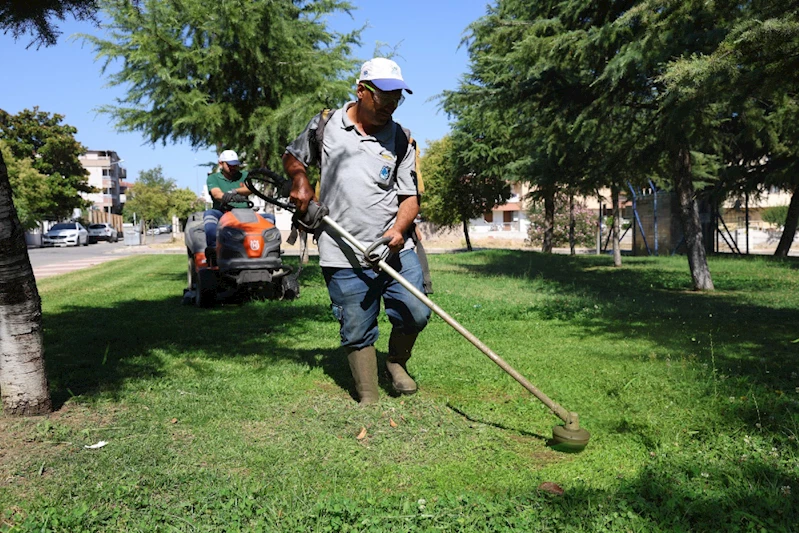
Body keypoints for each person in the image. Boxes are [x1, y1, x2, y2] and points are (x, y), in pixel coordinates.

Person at [283, 58, 430, 405]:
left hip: (394, 247)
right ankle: (368, 394)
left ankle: (395, 363)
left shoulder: (401, 138)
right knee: (355, 325)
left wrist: (398, 230)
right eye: (384, 97)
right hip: (342, 249)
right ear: (361, 91)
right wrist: (300, 179)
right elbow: (294, 157)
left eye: (397, 98)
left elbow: (410, 198)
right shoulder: (325, 124)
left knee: (416, 311)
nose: (391, 105)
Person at [204, 150, 273, 263]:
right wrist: (226, 197)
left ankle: (269, 250)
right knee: (209, 215)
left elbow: (249, 188)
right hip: (223, 213)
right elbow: (216, 194)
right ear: (221, 163)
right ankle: (213, 249)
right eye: (230, 165)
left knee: (269, 218)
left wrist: (234, 191)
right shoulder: (213, 178)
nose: (233, 167)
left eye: (235, 165)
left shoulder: (244, 175)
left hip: (245, 213)